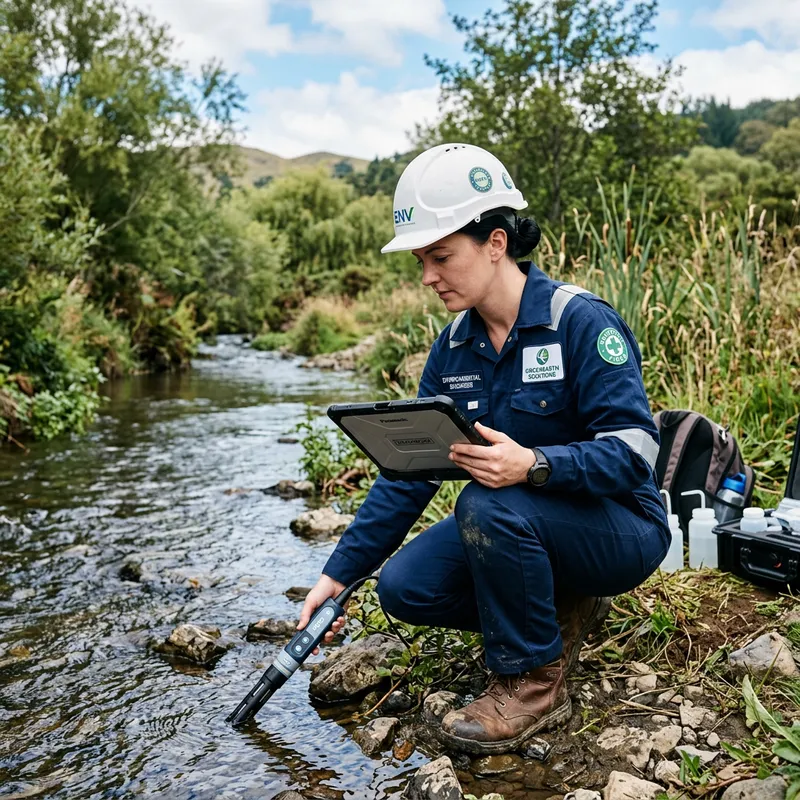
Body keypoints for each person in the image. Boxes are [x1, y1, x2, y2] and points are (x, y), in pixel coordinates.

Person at [297, 143, 670, 755]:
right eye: (421, 260)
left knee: (486, 503)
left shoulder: (580, 322)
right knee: (405, 587)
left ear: (495, 242)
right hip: (525, 525)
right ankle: (553, 618)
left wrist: (536, 463)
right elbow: (407, 474)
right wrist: (338, 575)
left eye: (441, 256)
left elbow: (635, 453)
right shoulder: (451, 349)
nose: (427, 277)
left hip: (622, 526)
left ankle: (533, 685)